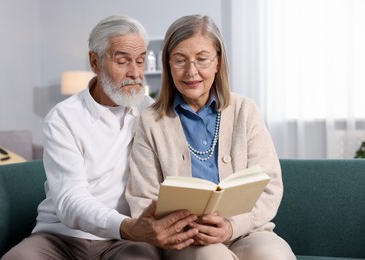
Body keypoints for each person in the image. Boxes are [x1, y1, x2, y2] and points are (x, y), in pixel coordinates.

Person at [2, 14, 199, 260]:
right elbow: (70, 199)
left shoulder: (151, 114)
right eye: (123, 61)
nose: (135, 73)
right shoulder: (63, 118)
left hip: (125, 240)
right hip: (61, 237)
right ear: (94, 62)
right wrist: (127, 226)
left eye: (140, 61)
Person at [126, 14, 296, 260]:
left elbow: (269, 186)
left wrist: (231, 227)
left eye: (202, 59)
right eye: (180, 60)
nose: (191, 72)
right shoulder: (151, 121)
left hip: (247, 231)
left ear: (218, 62)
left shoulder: (245, 110)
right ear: (168, 65)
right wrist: (184, 228)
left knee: (276, 256)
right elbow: (143, 198)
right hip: (184, 239)